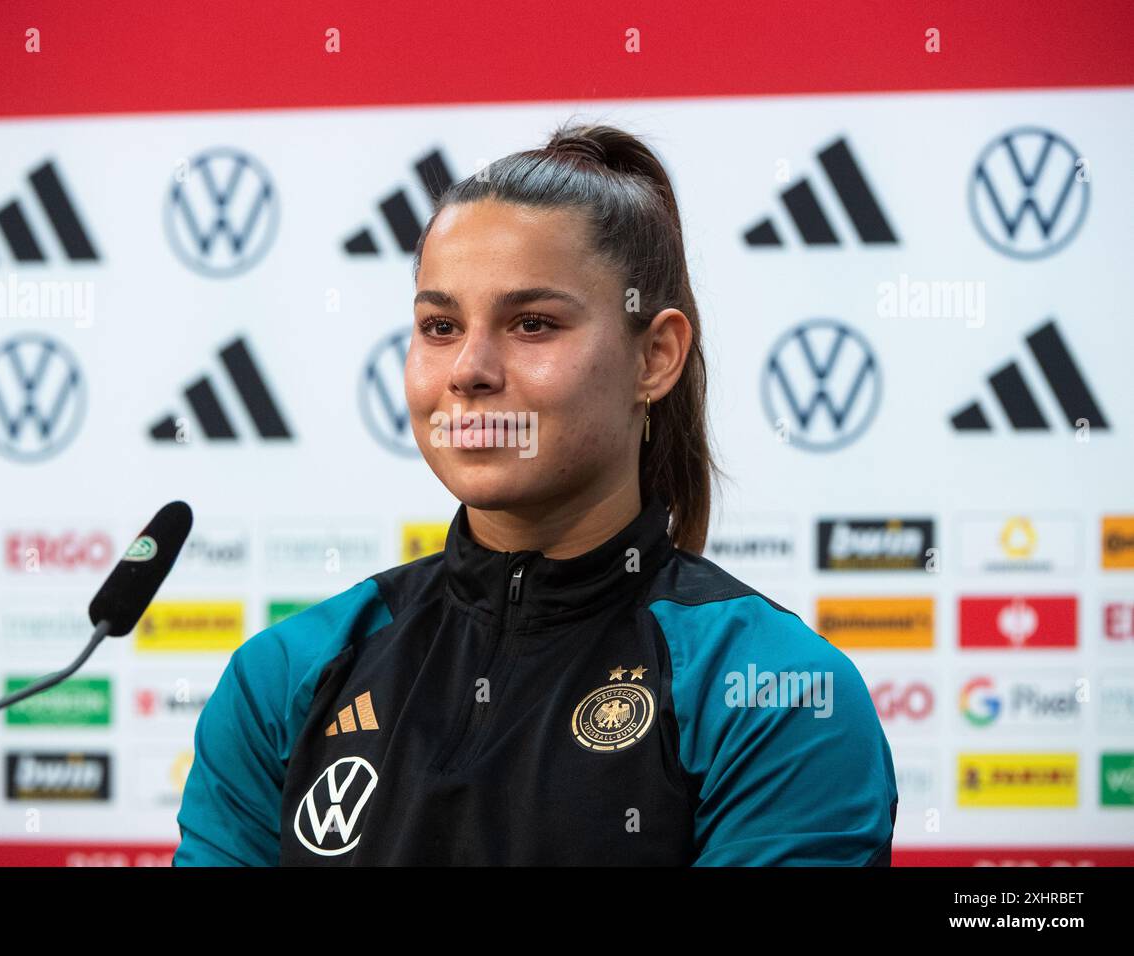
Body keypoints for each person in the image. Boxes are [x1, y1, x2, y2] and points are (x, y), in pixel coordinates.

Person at [173, 120, 898, 866]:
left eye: (532, 323)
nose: (470, 370)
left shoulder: (774, 692)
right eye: (440, 324)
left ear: (656, 357)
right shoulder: (286, 675)